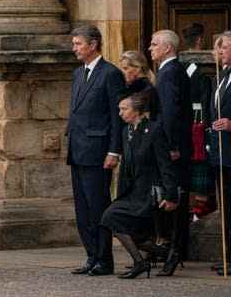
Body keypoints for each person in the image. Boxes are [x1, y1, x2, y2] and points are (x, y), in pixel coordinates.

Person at [67, 25, 125, 276]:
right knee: (82, 210)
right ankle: (91, 255)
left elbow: (116, 116)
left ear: (93, 45)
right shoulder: (78, 74)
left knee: (98, 206)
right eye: (74, 44)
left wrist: (114, 151)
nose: (74, 48)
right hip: (78, 149)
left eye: (78, 44)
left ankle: (104, 259)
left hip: (98, 151)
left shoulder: (110, 73)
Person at [101, 93, 178, 279]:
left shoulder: (154, 130)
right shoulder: (126, 131)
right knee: (128, 230)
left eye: (124, 109)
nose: (120, 113)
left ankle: (141, 263)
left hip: (149, 191)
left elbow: (165, 164)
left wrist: (171, 195)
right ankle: (167, 255)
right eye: (120, 109)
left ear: (137, 111)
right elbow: (127, 166)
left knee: (110, 218)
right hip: (132, 191)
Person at [149, 29, 193, 276]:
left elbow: (171, 114)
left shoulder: (168, 73)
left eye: (154, 44)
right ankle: (172, 250)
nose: (150, 48)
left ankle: (173, 252)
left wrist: (171, 146)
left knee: (173, 199)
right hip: (172, 145)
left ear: (167, 48)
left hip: (171, 148)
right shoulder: (170, 71)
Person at [182, 23, 215, 218]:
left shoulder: (177, 65)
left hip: (187, 126)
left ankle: (197, 212)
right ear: (200, 40)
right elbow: (205, 101)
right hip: (200, 127)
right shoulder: (203, 70)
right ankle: (199, 212)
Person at [208, 31, 231, 276]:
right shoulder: (221, 76)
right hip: (221, 151)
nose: (220, 51)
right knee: (225, 206)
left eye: (223, 47)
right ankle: (227, 255)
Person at [118, 51, 159, 120]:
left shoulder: (146, 90)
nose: (122, 72)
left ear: (138, 68)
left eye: (125, 68)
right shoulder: (130, 88)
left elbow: (146, 120)